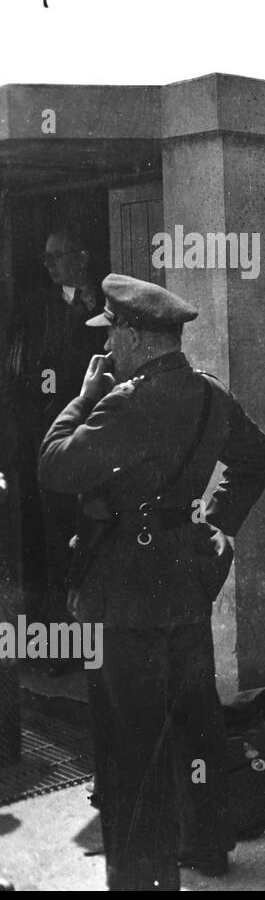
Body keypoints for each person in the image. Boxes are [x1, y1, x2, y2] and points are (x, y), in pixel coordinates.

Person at [38, 274, 265, 891]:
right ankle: (206, 842)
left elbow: (55, 465)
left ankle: (143, 883)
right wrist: (219, 523)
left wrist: (84, 397)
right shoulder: (210, 395)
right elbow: (259, 456)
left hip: (123, 588)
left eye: (113, 333)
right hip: (185, 578)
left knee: (129, 739)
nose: (108, 348)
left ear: (139, 336)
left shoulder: (124, 400)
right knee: (194, 717)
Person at [0, 229, 104, 656]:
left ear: (81, 257)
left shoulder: (106, 301)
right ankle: (63, 643)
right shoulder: (38, 310)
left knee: (96, 534)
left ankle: (97, 637)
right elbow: (22, 377)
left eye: (56, 257)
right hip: (53, 439)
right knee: (58, 539)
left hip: (100, 437)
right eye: (45, 260)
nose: (49, 266)